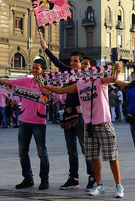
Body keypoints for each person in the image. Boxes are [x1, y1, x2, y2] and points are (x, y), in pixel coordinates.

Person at [43, 62, 124, 198]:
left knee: (112, 156)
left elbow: (113, 79)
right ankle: (99, 185)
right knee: (93, 156)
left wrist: (117, 70)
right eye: (82, 65)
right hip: (89, 124)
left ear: (93, 68)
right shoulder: (79, 84)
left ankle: (119, 186)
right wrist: (44, 85)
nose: (83, 67)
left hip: (103, 122)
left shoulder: (100, 80)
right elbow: (61, 90)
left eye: (86, 64)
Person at [0, 59, 50, 190]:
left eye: (37, 68)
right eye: (33, 68)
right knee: (22, 152)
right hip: (24, 121)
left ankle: (44, 179)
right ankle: (28, 178)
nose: (34, 70)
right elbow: (9, 82)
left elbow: (49, 95)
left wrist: (42, 85)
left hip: (38, 122)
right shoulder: (26, 81)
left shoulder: (47, 83)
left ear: (43, 71)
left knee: (42, 153)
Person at [40, 39, 95, 191]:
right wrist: (46, 49)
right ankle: (73, 178)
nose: (72, 63)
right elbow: (57, 62)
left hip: (81, 116)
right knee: (71, 149)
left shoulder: (87, 77)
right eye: (71, 61)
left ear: (83, 63)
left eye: (76, 61)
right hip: (68, 115)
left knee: (86, 148)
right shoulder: (69, 74)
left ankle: (93, 177)